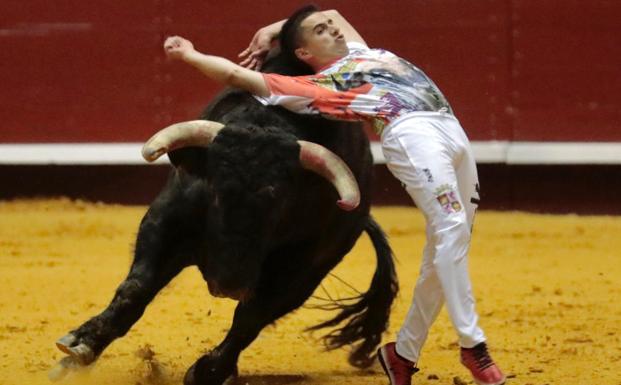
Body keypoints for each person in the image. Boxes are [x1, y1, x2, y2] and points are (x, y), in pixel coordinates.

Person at [163, 5, 506, 385]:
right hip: (411, 134)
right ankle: (473, 345)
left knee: (448, 245)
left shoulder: (360, 51)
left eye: (331, 28)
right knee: (451, 227)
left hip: (452, 130)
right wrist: (189, 54)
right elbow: (233, 74)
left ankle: (403, 354)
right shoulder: (317, 89)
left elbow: (331, 11)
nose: (334, 30)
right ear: (305, 54)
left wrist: (272, 29)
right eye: (321, 32)